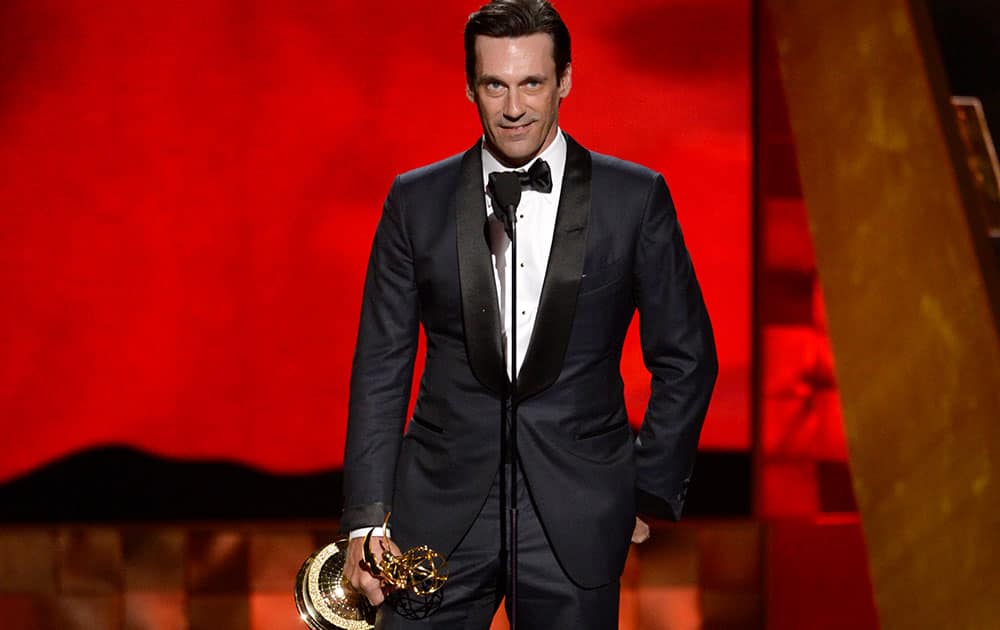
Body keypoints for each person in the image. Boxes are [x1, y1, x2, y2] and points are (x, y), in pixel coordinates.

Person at [340, 0, 717, 627]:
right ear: (470, 87)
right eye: (495, 85)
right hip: (437, 512)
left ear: (564, 80)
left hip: (576, 510)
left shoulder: (634, 199)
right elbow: (382, 363)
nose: (514, 107)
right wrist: (363, 513)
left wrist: (646, 486)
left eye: (532, 83)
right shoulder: (416, 202)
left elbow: (686, 353)